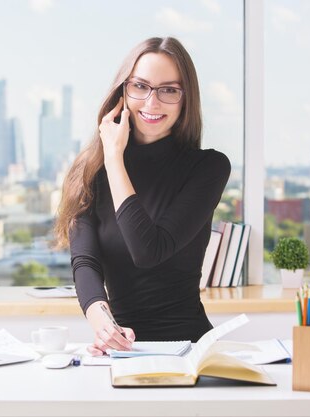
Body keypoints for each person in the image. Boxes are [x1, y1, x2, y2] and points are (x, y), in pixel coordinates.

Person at [54, 37, 231, 356]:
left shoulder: (208, 167)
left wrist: (113, 159)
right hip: (123, 349)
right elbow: (86, 262)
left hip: (191, 350)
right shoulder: (87, 172)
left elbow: (149, 250)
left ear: (185, 98)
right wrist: (104, 326)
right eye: (140, 86)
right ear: (123, 91)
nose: (152, 103)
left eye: (169, 90)